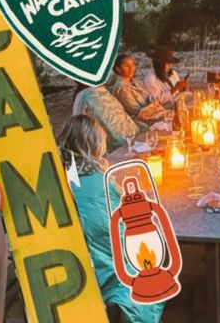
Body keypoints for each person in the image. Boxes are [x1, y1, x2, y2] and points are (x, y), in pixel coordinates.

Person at [58, 115, 163, 323]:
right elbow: (115, 229)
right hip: (103, 267)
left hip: (67, 258)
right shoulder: (99, 182)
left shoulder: (59, 174)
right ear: (95, 144)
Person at [73, 81, 142, 152]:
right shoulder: (89, 96)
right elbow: (119, 134)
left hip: (128, 140)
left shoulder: (98, 91)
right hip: (119, 148)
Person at [108, 54, 165, 125]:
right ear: (118, 69)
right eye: (126, 66)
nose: (131, 68)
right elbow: (136, 111)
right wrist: (153, 105)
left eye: (132, 65)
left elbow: (148, 98)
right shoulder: (121, 89)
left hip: (151, 114)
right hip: (137, 123)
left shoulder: (136, 82)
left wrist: (153, 102)